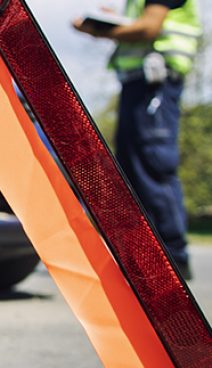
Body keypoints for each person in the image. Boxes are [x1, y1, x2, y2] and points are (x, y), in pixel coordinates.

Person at [74, 0, 202, 279]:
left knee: (152, 164)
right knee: (131, 168)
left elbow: (148, 28)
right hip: (140, 84)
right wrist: (116, 21)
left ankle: (172, 258)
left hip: (155, 84)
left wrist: (100, 30)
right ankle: (144, 257)